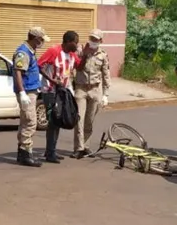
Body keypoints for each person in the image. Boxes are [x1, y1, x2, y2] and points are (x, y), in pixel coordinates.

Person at [37, 30, 80, 163]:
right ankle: (50, 153)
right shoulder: (54, 51)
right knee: (54, 121)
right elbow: (40, 66)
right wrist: (52, 80)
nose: (77, 45)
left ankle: (51, 150)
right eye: (75, 42)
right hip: (50, 91)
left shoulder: (72, 54)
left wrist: (86, 54)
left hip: (64, 91)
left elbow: (80, 65)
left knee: (59, 120)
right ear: (68, 41)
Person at [13, 26, 50, 167]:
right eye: (41, 39)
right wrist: (22, 92)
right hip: (27, 92)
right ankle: (26, 154)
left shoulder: (30, 51)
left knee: (25, 122)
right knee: (30, 122)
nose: (42, 42)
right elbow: (18, 72)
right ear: (35, 39)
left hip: (30, 91)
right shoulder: (23, 52)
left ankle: (22, 152)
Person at [73, 28, 111, 159]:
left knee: (89, 120)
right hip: (81, 88)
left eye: (96, 39)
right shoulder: (80, 51)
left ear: (101, 41)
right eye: (91, 38)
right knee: (79, 119)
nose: (93, 41)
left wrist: (106, 94)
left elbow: (106, 75)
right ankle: (78, 148)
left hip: (95, 89)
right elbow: (75, 66)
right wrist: (84, 53)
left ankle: (86, 146)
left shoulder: (103, 55)